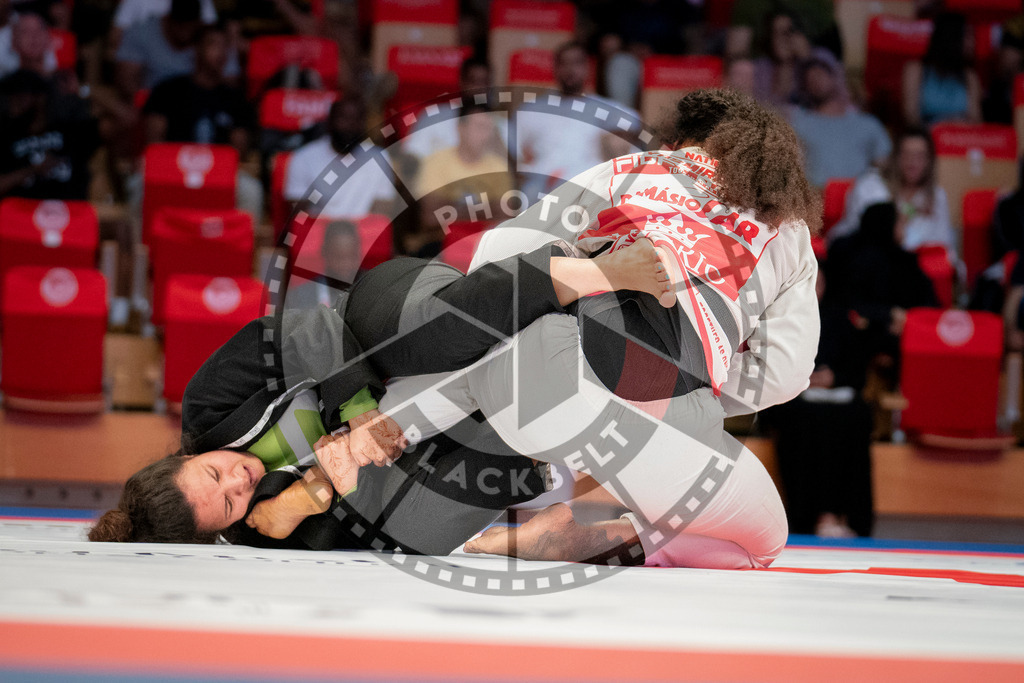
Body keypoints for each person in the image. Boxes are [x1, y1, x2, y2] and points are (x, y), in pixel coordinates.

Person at [397, 89, 821, 568]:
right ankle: (596, 537)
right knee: (759, 541)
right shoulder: (789, 226)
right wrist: (699, 390)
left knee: (511, 315)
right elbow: (785, 374)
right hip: (652, 419)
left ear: (682, 141)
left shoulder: (635, 168)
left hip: (533, 385)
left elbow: (500, 250)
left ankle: (365, 433)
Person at [88, 238, 674, 551]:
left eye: (215, 474)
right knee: (411, 532)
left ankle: (583, 271)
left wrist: (358, 411)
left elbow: (312, 336)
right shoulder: (256, 526)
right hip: (412, 424)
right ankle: (524, 476)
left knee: (427, 339)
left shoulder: (209, 401)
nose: (237, 482)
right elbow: (350, 528)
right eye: (227, 504)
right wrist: (307, 501)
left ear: (187, 455)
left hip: (368, 322)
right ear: (221, 527)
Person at [760, 263, 874, 539]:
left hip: (836, 399)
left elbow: (857, 369)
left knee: (854, 416)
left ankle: (849, 517)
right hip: (794, 399)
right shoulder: (780, 316)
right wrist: (802, 378)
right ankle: (812, 516)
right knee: (807, 421)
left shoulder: (838, 318)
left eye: (818, 283)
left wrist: (833, 377)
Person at [136, 22, 261, 220]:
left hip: (219, 174)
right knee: (138, 185)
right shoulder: (167, 91)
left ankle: (241, 247)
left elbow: (239, 150)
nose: (220, 52)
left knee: (250, 190)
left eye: (224, 46)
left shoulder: (236, 99)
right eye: (213, 44)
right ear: (196, 50)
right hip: (172, 170)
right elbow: (154, 143)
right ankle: (140, 249)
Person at [516, 41, 638, 202]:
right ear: (555, 68)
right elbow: (517, 154)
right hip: (540, 188)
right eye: (564, 63)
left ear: (588, 68)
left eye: (576, 63)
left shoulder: (608, 110)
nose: (570, 70)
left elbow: (632, 130)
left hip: (586, 185)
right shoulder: (531, 110)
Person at [829, 127, 955, 254]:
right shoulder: (870, 187)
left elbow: (943, 245)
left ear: (929, 160)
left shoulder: (937, 196)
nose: (913, 162)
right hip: (863, 258)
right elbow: (859, 236)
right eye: (907, 154)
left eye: (920, 156)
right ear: (895, 157)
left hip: (910, 265)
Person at [411, 103, 514, 253]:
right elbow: (430, 218)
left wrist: (452, 208)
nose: (486, 135)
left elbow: (506, 219)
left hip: (483, 247)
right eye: (479, 127)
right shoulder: (436, 162)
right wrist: (485, 208)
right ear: (461, 128)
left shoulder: (499, 166)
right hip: (438, 245)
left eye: (489, 128)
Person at [787, 48, 892, 188]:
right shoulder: (798, 124)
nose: (815, 80)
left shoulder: (867, 124)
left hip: (858, 202)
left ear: (836, 75)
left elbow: (885, 166)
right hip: (816, 202)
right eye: (810, 78)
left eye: (821, 73)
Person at [284, 95, 398, 220]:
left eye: (356, 120)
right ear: (330, 122)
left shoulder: (379, 157)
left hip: (364, 234)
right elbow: (298, 211)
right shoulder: (304, 158)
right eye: (344, 118)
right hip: (318, 232)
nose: (350, 126)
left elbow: (383, 209)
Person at [0, 68, 98, 199]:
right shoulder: (6, 136)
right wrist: (32, 170)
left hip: (69, 211)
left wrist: (83, 90)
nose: (13, 104)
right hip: (22, 213)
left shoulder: (69, 128)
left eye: (20, 96)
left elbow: (126, 119)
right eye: (10, 97)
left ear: (40, 97)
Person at [902, 11, 981, 128]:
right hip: (927, 137)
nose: (973, 42)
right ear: (952, 37)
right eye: (968, 36)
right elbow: (911, 118)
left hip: (961, 138)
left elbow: (976, 121)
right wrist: (941, 128)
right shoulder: (916, 70)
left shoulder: (970, 76)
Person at [286, 219, 363, 309]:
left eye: (352, 257)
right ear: (324, 253)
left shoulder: (373, 293)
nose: (346, 264)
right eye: (338, 258)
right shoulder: (299, 298)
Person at [751, 11, 810, 107]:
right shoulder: (760, 68)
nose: (782, 39)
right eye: (776, 33)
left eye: (787, 32)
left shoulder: (811, 63)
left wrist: (808, 60)